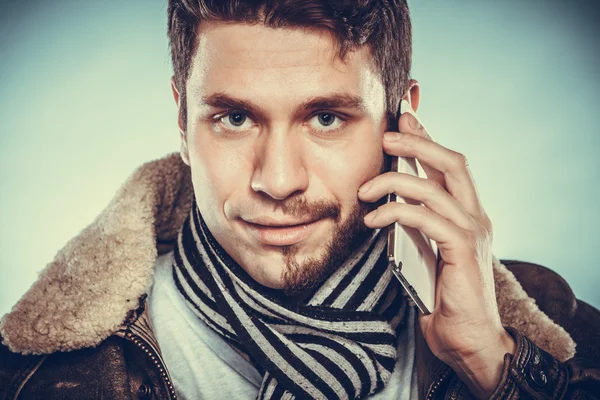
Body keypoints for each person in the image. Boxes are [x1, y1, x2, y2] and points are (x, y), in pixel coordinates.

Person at [1, 1, 599, 399]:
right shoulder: (32, 374)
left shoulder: (563, 334)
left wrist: (493, 364)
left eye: (327, 117)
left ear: (403, 117)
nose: (279, 180)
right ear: (182, 121)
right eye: (234, 117)